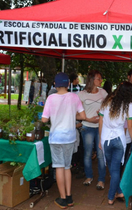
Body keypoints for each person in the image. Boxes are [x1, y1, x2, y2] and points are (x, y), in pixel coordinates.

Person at [42, 72, 86, 208]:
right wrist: (72, 114)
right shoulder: (74, 97)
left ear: (55, 84)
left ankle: (62, 199)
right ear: (68, 84)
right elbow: (83, 116)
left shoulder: (50, 98)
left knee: (59, 167)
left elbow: (44, 119)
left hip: (56, 137)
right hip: (70, 137)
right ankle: (69, 197)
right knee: (67, 167)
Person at [98, 81, 132, 205]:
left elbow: (100, 122)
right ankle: (111, 197)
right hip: (119, 139)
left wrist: (100, 140)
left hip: (106, 138)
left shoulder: (106, 101)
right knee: (115, 170)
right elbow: (130, 126)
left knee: (112, 169)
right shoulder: (128, 105)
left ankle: (119, 191)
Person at [78, 70, 107, 190]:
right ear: (91, 80)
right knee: (88, 153)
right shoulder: (81, 94)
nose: (101, 81)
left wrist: (102, 114)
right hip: (87, 127)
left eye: (101, 78)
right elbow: (75, 114)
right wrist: (88, 119)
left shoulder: (103, 92)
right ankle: (89, 176)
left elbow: (109, 108)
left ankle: (101, 180)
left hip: (101, 127)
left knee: (101, 154)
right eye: (98, 78)